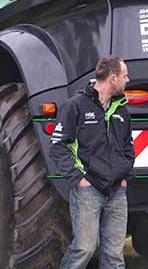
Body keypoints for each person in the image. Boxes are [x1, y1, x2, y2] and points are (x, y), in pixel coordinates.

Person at [50, 55, 135, 269]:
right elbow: (58, 146)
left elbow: (128, 146)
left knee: (115, 256)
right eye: (125, 76)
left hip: (117, 191)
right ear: (112, 78)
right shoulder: (75, 105)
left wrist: (123, 177)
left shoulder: (121, 109)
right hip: (87, 190)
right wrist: (79, 180)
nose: (128, 80)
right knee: (84, 249)